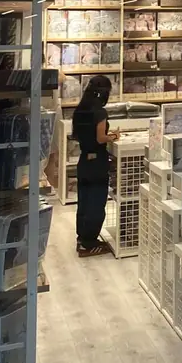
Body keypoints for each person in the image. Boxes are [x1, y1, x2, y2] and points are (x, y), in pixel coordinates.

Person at [73, 75, 118, 257]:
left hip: (84, 160)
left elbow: (78, 135)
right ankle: (89, 243)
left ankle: (82, 238)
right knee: (96, 203)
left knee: (84, 202)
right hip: (97, 162)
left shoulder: (80, 110)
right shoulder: (100, 112)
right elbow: (100, 138)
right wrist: (113, 136)